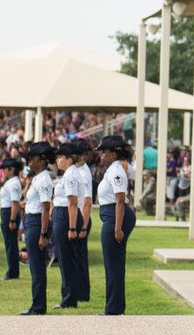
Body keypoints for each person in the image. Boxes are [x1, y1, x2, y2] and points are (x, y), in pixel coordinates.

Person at [96, 135, 137, 315]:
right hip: (112, 216)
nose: (101, 155)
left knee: (113, 265)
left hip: (116, 217)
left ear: (113, 154)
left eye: (104, 152)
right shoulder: (112, 169)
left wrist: (118, 228)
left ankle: (113, 309)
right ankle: (115, 307)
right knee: (114, 264)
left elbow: (120, 201)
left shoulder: (117, 171)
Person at [20, 142, 55, 315]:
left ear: (41, 161)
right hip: (31, 221)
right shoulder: (37, 178)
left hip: (37, 223)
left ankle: (39, 306)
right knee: (34, 266)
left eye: (32, 159)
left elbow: (45, 208)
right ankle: (36, 304)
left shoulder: (44, 180)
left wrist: (43, 234)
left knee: (37, 266)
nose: (30, 162)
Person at [51, 142, 81, 309]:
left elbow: (72, 203)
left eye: (60, 157)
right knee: (63, 258)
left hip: (65, 216)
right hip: (62, 214)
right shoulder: (69, 174)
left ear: (69, 159)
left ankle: (69, 298)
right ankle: (68, 296)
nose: (57, 160)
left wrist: (72, 227)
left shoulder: (70, 175)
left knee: (66, 258)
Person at [74, 139, 94, 302]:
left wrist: (83, 226)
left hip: (82, 218)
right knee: (77, 257)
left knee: (79, 258)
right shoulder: (78, 171)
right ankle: (79, 291)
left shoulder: (83, 173)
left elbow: (87, 202)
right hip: (79, 216)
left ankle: (82, 293)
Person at [0, 157, 24, 280]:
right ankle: (13, 270)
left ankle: (12, 272)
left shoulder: (13, 183)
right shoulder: (11, 182)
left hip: (9, 213)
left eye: (5, 169)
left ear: (11, 170)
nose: (3, 171)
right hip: (7, 212)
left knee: (11, 244)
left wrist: (13, 220)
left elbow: (15, 203)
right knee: (10, 243)